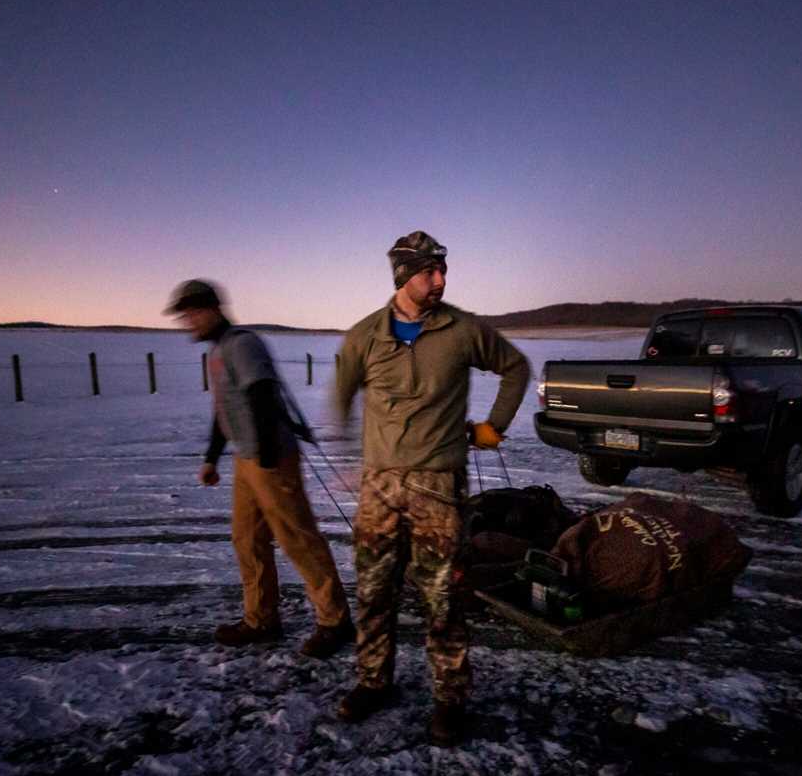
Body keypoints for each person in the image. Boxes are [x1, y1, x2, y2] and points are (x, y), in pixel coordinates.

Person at [331, 231, 530, 745]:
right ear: (403, 276)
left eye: (443, 270)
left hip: (438, 485)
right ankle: (373, 682)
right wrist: (354, 457)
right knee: (374, 592)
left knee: (443, 598)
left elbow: (515, 368)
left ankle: (450, 699)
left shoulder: (462, 330)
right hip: (379, 487)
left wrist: (495, 426)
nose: (440, 280)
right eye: (429, 272)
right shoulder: (363, 337)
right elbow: (341, 396)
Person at [164, 279, 354, 659]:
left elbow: (263, 394)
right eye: (184, 316)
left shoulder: (242, 344)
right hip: (246, 458)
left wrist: (268, 458)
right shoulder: (218, 352)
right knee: (247, 540)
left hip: (271, 457)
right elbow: (224, 411)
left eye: (192, 314)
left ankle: (336, 620)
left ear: (211, 309)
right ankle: (261, 619)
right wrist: (212, 458)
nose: (187, 322)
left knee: (297, 537)